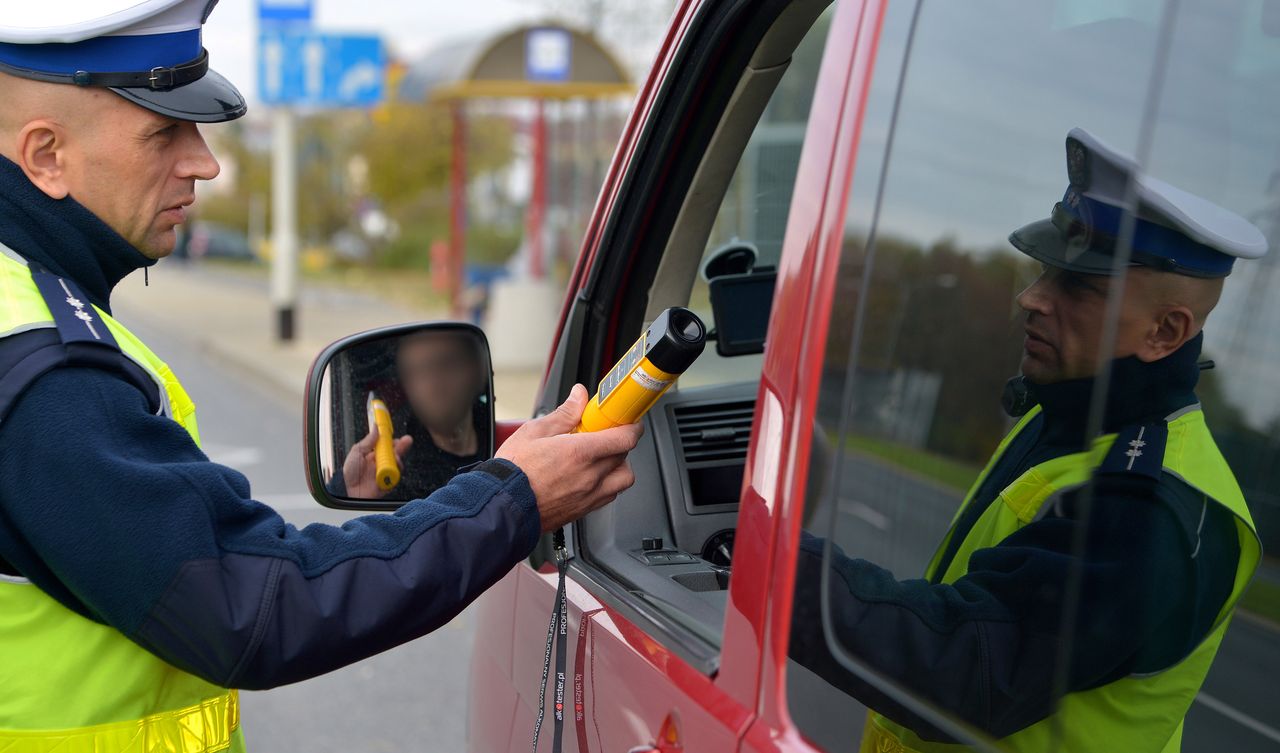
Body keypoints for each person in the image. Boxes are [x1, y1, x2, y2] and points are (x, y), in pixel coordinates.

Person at [0, 3, 640, 750]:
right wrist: (512, 500)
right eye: (164, 132)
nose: (204, 161)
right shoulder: (48, 372)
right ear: (46, 155)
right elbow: (256, 606)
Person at [789, 129, 1264, 753]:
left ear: (1164, 331)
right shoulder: (1071, 413)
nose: (1031, 298)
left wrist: (773, 560)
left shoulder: (1150, 507)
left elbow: (970, 667)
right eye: (1046, 272)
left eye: (1078, 287)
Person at [340, 330, 493, 500]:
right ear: (406, 387)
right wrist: (345, 487)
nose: (433, 384)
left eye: (446, 365)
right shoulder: (396, 468)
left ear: (478, 373)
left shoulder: (503, 444)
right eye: (416, 372)